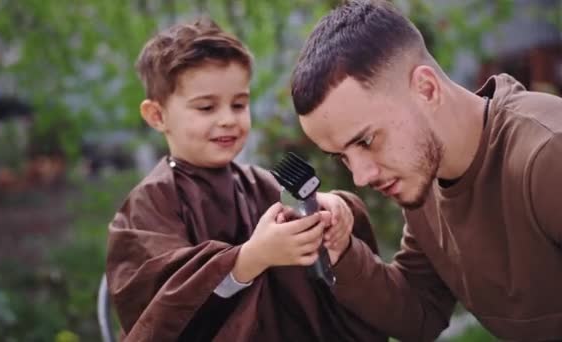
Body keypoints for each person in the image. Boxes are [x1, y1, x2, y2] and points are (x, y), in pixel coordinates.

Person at [290, 0, 562, 341]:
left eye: (366, 140)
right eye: (341, 156)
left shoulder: (548, 154)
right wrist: (341, 249)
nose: (361, 176)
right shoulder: (426, 179)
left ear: (427, 89)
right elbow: (420, 312)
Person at [106, 17, 387, 341]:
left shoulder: (259, 184)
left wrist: (334, 212)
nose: (228, 119)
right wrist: (250, 258)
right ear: (157, 115)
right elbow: (162, 311)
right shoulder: (152, 204)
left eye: (239, 104)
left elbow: (313, 242)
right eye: (206, 107)